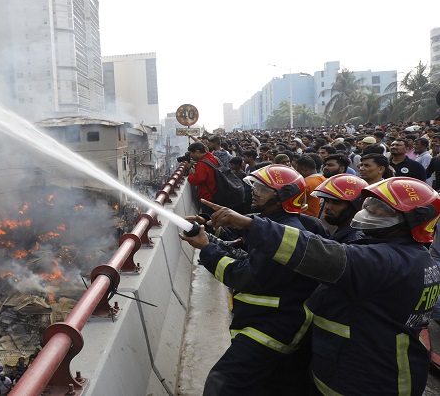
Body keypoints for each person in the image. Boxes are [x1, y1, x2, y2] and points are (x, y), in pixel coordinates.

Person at [196, 177, 440, 396]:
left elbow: (321, 254)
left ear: (414, 218)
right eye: (369, 205)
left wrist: (252, 225)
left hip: (368, 379)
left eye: (381, 208)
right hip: (355, 367)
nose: (369, 211)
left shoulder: (388, 260)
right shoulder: (410, 256)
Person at [179, 164, 320, 395]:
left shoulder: (285, 235)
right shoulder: (273, 223)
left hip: (272, 329)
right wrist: (208, 225)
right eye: (255, 185)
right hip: (264, 322)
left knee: (223, 384)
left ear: (282, 197)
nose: (254, 191)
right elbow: (241, 239)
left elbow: (242, 276)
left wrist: (206, 249)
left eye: (263, 189)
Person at [311, 174, 368, 242]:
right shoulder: (343, 232)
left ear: (355, 206)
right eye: (327, 201)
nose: (327, 207)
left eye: (336, 203)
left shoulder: (354, 241)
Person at [185, 142, 220, 216]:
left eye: (191, 153)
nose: (191, 156)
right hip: (217, 193)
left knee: (208, 219)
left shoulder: (202, 164)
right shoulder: (212, 157)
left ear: (197, 151)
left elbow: (196, 179)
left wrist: (189, 170)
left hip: (208, 197)